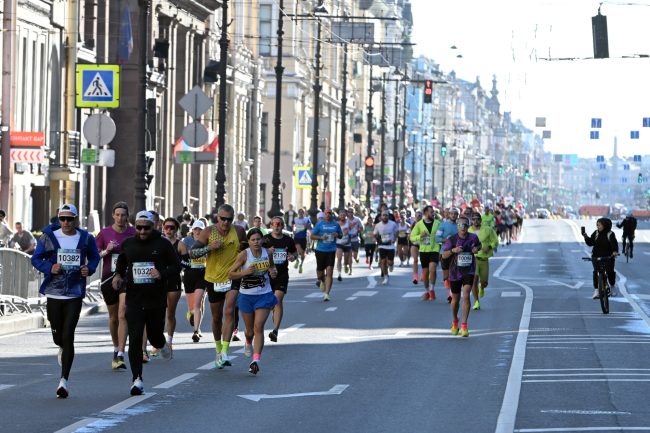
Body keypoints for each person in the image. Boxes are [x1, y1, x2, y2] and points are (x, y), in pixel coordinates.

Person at [31, 204, 100, 398]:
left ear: (76, 219)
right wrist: (50, 267)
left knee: (69, 334)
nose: (66, 222)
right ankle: (60, 346)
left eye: (70, 219)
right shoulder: (48, 237)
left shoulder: (86, 238)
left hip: (74, 292)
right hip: (54, 292)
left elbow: (94, 258)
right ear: (58, 219)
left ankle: (64, 381)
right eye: (62, 219)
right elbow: (36, 259)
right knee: (58, 336)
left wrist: (90, 269)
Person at [113, 211, 178, 395]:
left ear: (154, 226)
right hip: (134, 298)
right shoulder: (129, 244)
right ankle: (137, 379)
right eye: (139, 227)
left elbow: (176, 266)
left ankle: (163, 344)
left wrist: (161, 273)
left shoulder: (163, 244)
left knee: (154, 337)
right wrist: (118, 276)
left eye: (146, 228)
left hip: (156, 299)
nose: (142, 231)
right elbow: (122, 264)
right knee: (134, 339)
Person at [190, 205, 247, 368]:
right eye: (223, 219)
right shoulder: (208, 232)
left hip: (232, 277)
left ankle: (225, 352)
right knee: (216, 317)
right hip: (213, 278)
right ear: (217, 218)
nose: (226, 222)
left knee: (229, 311)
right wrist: (209, 247)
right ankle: (218, 348)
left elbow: (246, 250)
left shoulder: (239, 231)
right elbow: (192, 253)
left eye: (229, 219)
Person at [229, 228, 278, 375]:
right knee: (249, 331)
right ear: (249, 242)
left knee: (259, 327)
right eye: (253, 240)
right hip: (246, 296)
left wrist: (273, 272)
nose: (256, 242)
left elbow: (272, 267)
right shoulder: (244, 255)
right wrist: (245, 272)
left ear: (262, 240)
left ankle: (255, 361)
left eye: (258, 239)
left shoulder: (267, 253)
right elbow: (230, 274)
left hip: (264, 294)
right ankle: (248, 341)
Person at [95, 201, 136, 370]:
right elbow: (96, 255)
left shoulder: (133, 233)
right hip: (108, 278)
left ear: (127, 217)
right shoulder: (104, 234)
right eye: (117, 215)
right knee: (113, 317)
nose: (120, 218)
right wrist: (107, 251)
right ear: (113, 215)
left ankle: (121, 352)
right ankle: (115, 347)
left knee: (122, 314)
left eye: (123, 215)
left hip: (127, 278)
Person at [440, 216, 481, 337]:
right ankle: (454, 321)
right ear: (457, 227)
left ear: (468, 226)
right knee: (455, 300)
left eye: (465, 225)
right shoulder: (451, 239)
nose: (463, 227)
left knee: (466, 293)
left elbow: (479, 246)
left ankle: (464, 325)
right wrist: (453, 250)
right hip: (455, 272)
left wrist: (475, 249)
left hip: (469, 270)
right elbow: (444, 256)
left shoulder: (473, 237)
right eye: (461, 225)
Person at [263, 217, 297, 343]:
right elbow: (256, 252)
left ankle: (275, 331)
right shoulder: (266, 239)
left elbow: (295, 253)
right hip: (267, 274)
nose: (276, 226)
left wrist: (293, 257)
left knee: (277, 300)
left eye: (279, 224)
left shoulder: (288, 240)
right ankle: (275, 318)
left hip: (282, 275)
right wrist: (266, 251)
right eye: (274, 224)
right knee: (271, 303)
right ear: (271, 225)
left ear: (283, 226)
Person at [160, 217, 188, 356]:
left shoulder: (180, 245)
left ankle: (169, 342)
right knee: (157, 313)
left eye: (172, 228)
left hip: (173, 282)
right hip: (158, 282)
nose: (169, 230)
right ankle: (158, 341)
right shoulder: (158, 243)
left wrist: (175, 267)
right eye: (166, 227)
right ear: (163, 228)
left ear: (176, 229)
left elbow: (187, 263)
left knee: (170, 314)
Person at [182, 220, 207, 342]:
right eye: (196, 229)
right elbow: (181, 256)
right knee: (192, 307)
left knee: (198, 303)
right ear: (192, 230)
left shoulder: (207, 240)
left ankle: (196, 331)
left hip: (202, 274)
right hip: (189, 275)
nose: (198, 232)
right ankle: (191, 313)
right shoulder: (186, 241)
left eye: (200, 229)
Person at [310, 208, 343, 301]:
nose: (328, 215)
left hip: (331, 251)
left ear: (332, 214)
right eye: (326, 213)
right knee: (320, 274)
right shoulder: (320, 224)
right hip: (320, 250)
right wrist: (321, 237)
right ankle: (322, 281)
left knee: (330, 271)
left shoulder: (336, 224)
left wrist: (337, 234)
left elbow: (341, 235)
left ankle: (327, 294)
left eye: (329, 213)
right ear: (324, 214)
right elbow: (311, 236)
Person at [410, 206, 441, 301]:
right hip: (423, 251)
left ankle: (432, 289)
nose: (433, 214)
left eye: (434, 212)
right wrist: (420, 236)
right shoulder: (419, 224)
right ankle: (427, 291)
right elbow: (412, 237)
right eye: (431, 212)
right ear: (426, 213)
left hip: (434, 249)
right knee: (426, 272)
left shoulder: (438, 223)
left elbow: (442, 234)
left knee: (433, 269)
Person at [468, 212, 498, 310]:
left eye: (477, 219)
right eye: (474, 219)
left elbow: (496, 241)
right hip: (473, 259)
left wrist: (489, 247)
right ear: (471, 220)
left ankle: (482, 287)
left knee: (484, 282)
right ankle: (476, 302)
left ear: (481, 220)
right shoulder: (468, 231)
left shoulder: (488, 230)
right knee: (474, 280)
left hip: (484, 259)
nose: (475, 221)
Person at [582, 218, 619, 299]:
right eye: (597, 224)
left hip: (608, 257)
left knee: (610, 271)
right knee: (596, 272)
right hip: (596, 256)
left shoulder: (610, 234)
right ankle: (596, 290)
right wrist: (585, 236)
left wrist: (615, 252)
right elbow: (590, 243)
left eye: (599, 225)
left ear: (605, 225)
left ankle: (612, 287)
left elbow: (614, 244)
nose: (597, 226)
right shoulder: (596, 233)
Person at [436, 207, 459, 302]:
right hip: (445, 252)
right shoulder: (443, 225)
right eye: (452, 214)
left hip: (456, 253)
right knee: (446, 277)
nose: (453, 215)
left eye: (455, 214)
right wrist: (446, 240)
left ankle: (451, 294)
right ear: (449, 214)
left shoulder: (459, 226)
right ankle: (450, 290)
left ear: (457, 215)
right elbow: (437, 238)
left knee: (453, 274)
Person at [373, 210, 398, 285]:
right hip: (382, 245)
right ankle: (386, 277)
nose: (385, 217)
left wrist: (394, 239)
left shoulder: (393, 224)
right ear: (381, 216)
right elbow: (374, 234)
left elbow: (397, 232)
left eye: (386, 215)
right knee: (383, 262)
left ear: (388, 216)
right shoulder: (378, 225)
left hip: (390, 246)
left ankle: (391, 264)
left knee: (390, 262)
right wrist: (375, 240)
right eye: (383, 215)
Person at [292, 208, 312, 273]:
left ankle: (301, 265)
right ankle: (297, 260)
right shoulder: (295, 219)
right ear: (298, 212)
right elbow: (293, 226)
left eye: (302, 212)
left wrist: (307, 226)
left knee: (302, 253)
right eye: (299, 212)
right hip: (297, 237)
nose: (301, 213)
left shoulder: (306, 219)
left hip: (303, 238)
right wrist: (293, 230)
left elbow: (310, 227)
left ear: (304, 213)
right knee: (298, 249)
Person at [335, 209, 352, 281]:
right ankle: (339, 274)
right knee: (339, 259)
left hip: (347, 243)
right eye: (341, 215)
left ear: (346, 216)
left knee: (346, 259)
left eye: (344, 215)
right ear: (339, 216)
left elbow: (351, 230)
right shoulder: (336, 224)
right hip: (339, 243)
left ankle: (346, 265)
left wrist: (348, 233)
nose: (342, 216)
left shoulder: (348, 222)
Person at [410, 210, 423, 284]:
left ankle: (423, 274)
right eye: (417, 216)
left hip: (423, 244)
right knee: (415, 260)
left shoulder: (424, 224)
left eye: (419, 216)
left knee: (423, 260)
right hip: (414, 243)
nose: (418, 217)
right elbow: (410, 235)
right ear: (414, 217)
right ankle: (415, 277)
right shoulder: (413, 224)